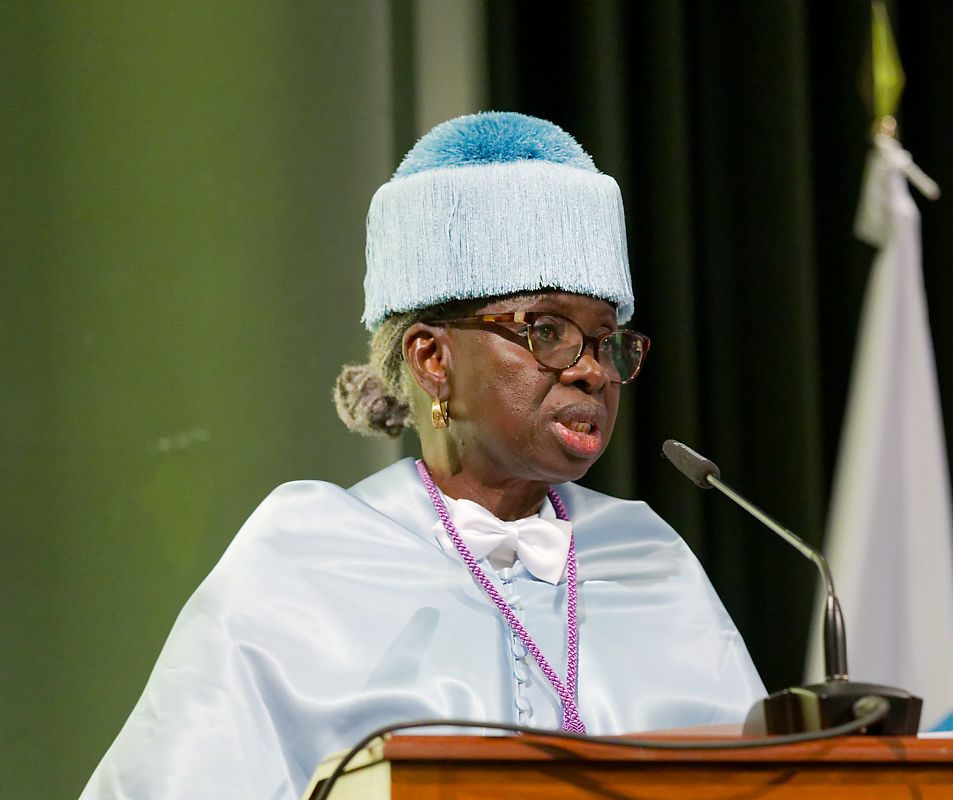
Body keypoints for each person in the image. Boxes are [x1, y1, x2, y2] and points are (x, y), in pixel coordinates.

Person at [80, 111, 764, 800]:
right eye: (548, 331)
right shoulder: (305, 557)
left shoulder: (649, 558)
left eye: (607, 339)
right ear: (433, 358)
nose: (592, 371)